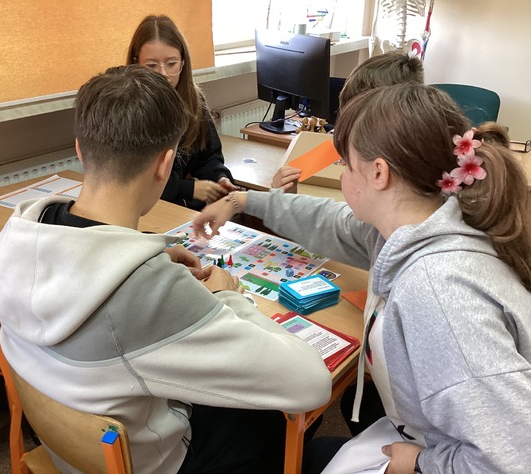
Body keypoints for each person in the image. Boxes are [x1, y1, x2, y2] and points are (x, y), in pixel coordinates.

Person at [0, 65, 332, 474]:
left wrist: (149, 253)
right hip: (150, 462)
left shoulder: (19, 233)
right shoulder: (147, 291)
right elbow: (312, 384)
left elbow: (86, 260)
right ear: (165, 164)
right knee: (283, 417)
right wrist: (228, 297)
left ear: (80, 149)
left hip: (67, 444)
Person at [193, 83, 531, 473]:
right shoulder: (419, 222)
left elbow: (513, 458)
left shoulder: (437, 291)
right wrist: (242, 200)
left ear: (378, 172)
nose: (342, 173)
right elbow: (328, 220)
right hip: (435, 436)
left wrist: (420, 463)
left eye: (346, 164)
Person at [126, 14, 237, 210]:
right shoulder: (127, 108)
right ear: (136, 63)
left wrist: (220, 178)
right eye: (151, 65)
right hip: (145, 209)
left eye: (171, 64)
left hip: (183, 208)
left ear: (183, 62)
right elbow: (134, 179)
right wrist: (188, 189)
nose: (163, 74)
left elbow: (208, 157)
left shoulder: (193, 100)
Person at [271, 52, 424, 193]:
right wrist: (284, 195)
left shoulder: (412, 168)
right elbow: (290, 182)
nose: (351, 128)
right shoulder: (336, 147)